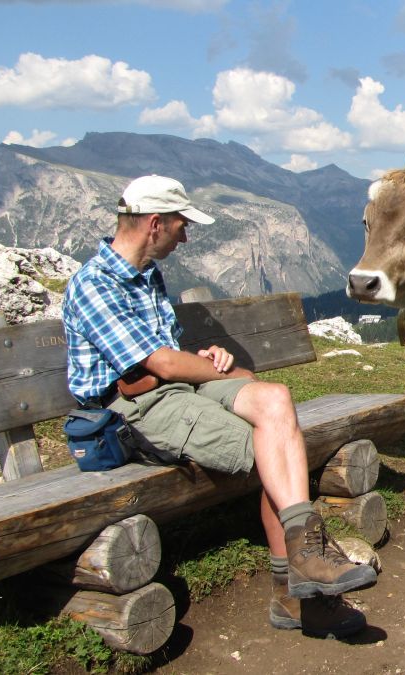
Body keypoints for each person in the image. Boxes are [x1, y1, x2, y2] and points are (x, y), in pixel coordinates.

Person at [62, 175, 374, 639]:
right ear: (154, 224)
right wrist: (222, 373)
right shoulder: (95, 284)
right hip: (132, 410)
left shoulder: (147, 275)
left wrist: (207, 357)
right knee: (267, 447)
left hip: (172, 390)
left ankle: (304, 563)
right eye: (180, 226)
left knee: (275, 399)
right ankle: (296, 590)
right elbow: (159, 363)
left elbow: (166, 355)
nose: (185, 236)